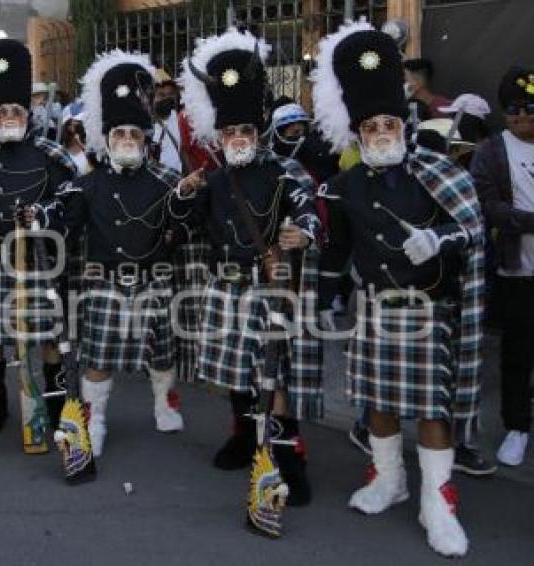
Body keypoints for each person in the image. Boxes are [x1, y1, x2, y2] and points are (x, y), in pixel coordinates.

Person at [313, 21, 484, 557]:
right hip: (375, 307)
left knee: (433, 410)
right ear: (358, 132)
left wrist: (439, 238)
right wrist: (319, 302)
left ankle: (439, 504)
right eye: (371, 126)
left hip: (429, 308)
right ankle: (390, 480)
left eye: (390, 122)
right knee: (377, 402)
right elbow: (336, 251)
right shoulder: (342, 187)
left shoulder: (436, 171)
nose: (382, 132)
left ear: (404, 123)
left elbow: (473, 233)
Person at [175, 27, 322, 508]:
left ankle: (288, 459)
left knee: (272, 378)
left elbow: (310, 212)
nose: (237, 138)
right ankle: (243, 438)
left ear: (258, 132)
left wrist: (304, 234)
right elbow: (184, 227)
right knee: (238, 374)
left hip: (271, 286)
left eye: (245, 131)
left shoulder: (285, 172)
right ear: (220, 134)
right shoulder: (214, 179)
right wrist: (184, 193)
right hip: (226, 284)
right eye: (230, 132)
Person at [47, 51, 185, 458]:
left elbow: (188, 218)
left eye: (134, 135)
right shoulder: (86, 184)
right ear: (106, 138)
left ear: (145, 139)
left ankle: (164, 404)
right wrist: (41, 217)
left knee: (161, 349)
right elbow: (63, 217)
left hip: (154, 277)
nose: (126, 141)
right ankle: (96, 417)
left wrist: (190, 199)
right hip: (104, 280)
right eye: (119, 134)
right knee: (99, 351)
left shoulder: (167, 180)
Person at [0, 30, 76, 434]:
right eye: (2, 110)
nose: (9, 116)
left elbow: (72, 202)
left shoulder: (51, 154)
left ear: (27, 113)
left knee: (47, 338)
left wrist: (43, 213)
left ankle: (58, 406)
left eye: (16, 110)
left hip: (41, 263)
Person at [470, 66, 534, 468]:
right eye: (514, 110)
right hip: (518, 269)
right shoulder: (490, 151)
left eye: (530, 109)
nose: (523, 117)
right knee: (518, 352)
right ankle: (517, 426)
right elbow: (487, 206)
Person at [152, 69, 183, 174]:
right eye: (161, 95)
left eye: (170, 94)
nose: (167, 98)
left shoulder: (182, 122)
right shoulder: (145, 126)